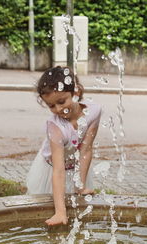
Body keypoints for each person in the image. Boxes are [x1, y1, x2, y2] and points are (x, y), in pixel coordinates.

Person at [26, 66, 101, 226]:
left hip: (76, 165)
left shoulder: (94, 112)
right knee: (43, 209)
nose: (58, 109)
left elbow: (86, 149)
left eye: (61, 102)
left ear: (76, 92)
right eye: (51, 106)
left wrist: (80, 185)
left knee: (78, 211)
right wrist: (60, 212)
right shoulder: (55, 126)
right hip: (50, 169)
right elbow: (58, 171)